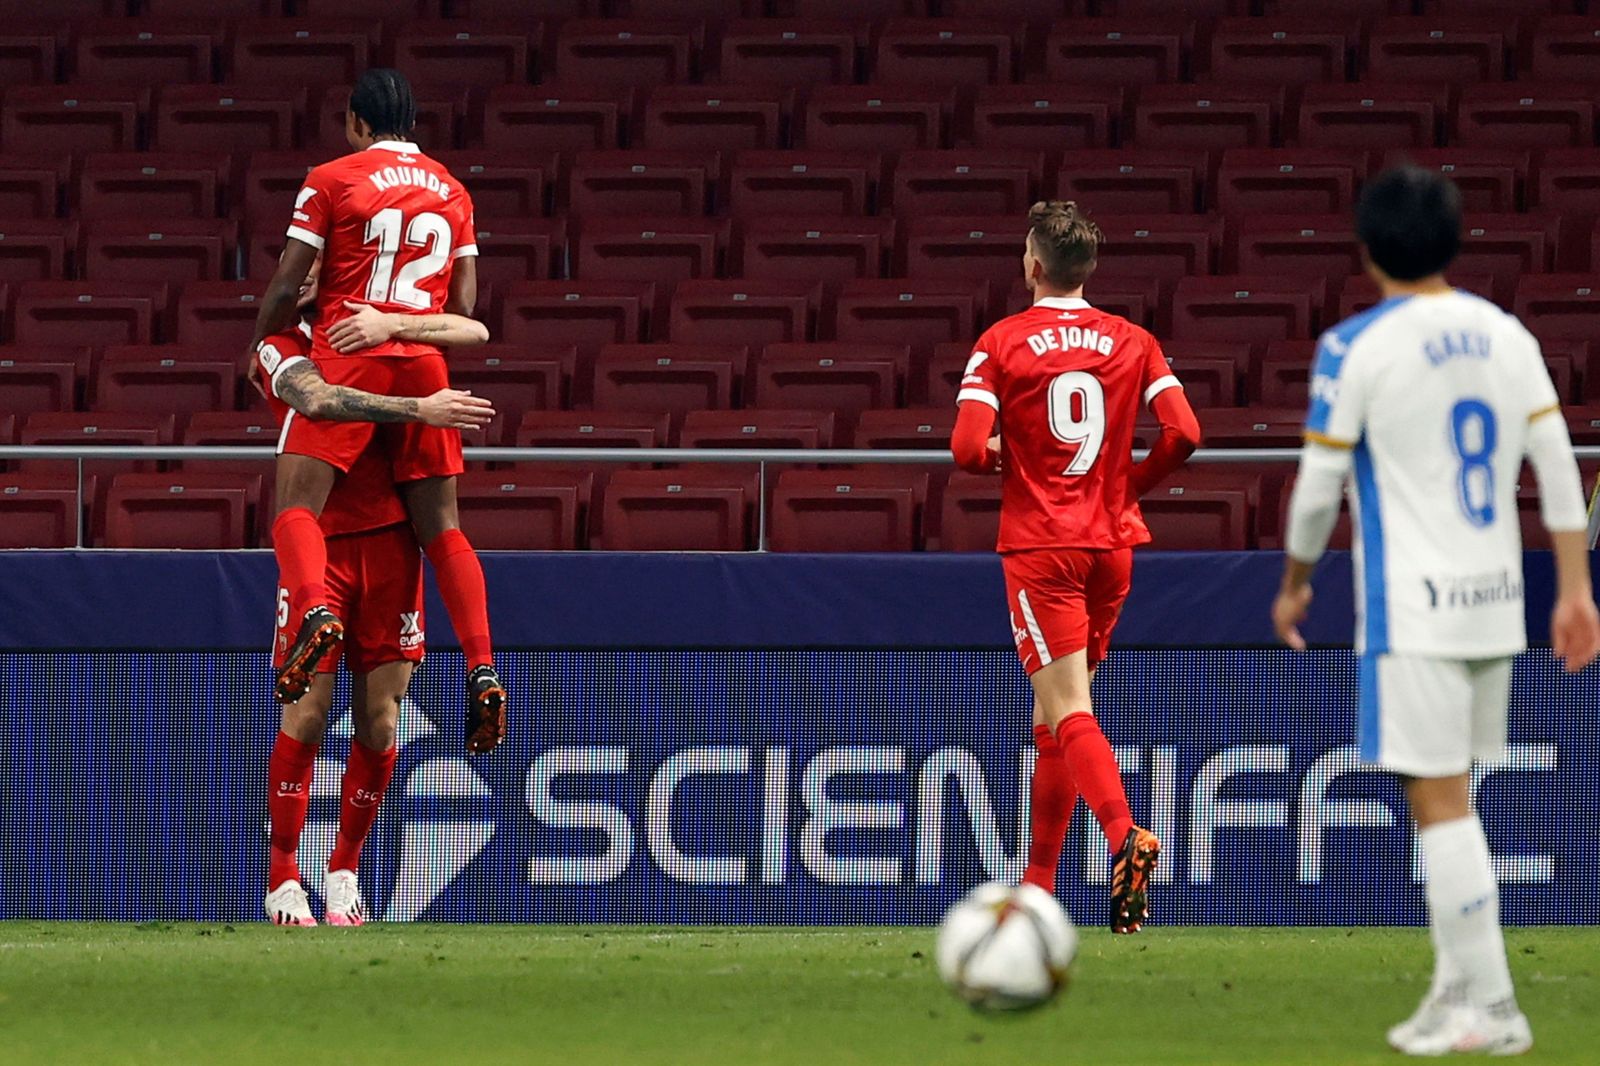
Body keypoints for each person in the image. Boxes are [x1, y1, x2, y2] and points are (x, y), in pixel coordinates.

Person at [1272, 166, 1600, 1056]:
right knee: (1449, 796)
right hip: (1495, 608)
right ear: (1454, 241)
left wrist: (1297, 580)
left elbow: (1316, 492)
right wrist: (1574, 590)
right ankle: (1453, 992)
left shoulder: (1356, 346)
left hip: (1413, 609)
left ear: (1367, 248)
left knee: (1441, 799)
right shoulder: (1507, 335)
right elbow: (1561, 467)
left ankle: (1493, 1007)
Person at [950, 200, 1201, 933]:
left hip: (1042, 545)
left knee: (1067, 710)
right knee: (1051, 718)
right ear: (1088, 270)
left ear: (1032, 265)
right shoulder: (1133, 339)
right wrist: (1128, 486)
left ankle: (1126, 835)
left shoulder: (1001, 342)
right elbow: (1185, 431)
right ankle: (1039, 885)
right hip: (1112, 544)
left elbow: (967, 449)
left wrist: (1006, 457)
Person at [246, 68, 506, 755]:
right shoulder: (453, 188)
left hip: (348, 353)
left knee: (293, 509)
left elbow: (285, 282)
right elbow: (466, 306)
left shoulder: (332, 178)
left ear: (357, 123)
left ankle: (315, 612)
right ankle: (481, 664)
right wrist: (406, 325)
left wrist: (272, 325)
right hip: (424, 358)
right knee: (445, 531)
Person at [254, 297, 498, 926]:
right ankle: (283, 877)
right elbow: (317, 399)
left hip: (392, 549)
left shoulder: (396, 344)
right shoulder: (280, 345)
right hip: (320, 550)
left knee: (380, 721)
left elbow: (472, 324)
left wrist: (401, 336)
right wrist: (420, 405)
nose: (309, 271)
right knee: (307, 715)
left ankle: (343, 872)